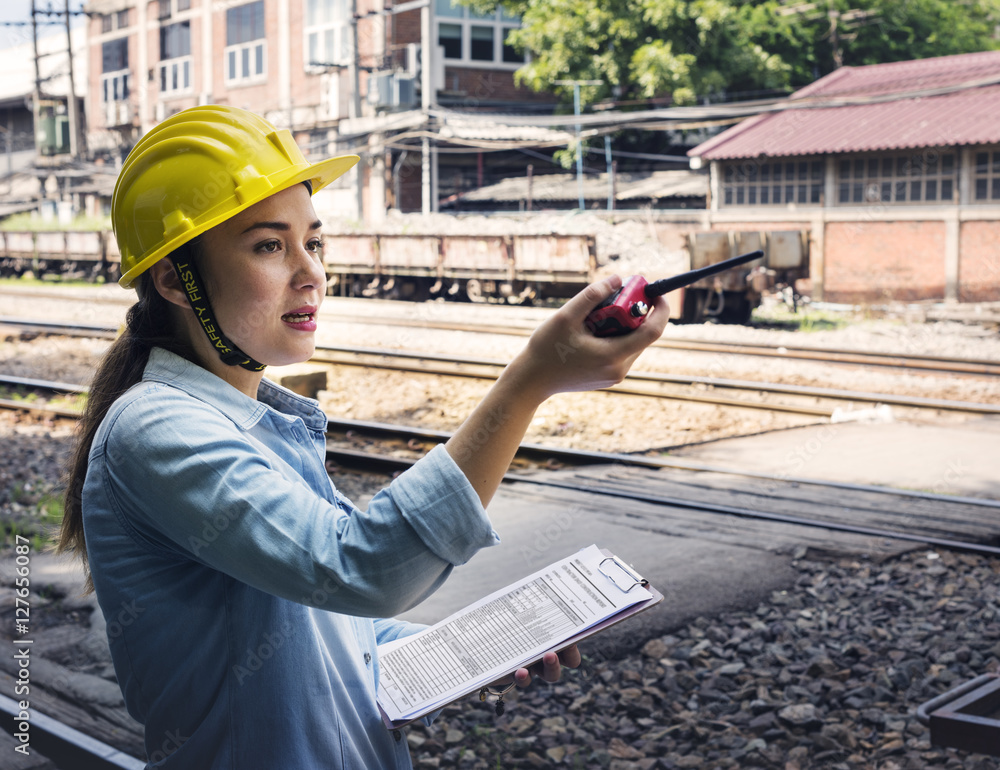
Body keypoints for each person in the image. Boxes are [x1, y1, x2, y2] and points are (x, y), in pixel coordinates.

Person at [57, 105, 668, 769]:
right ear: (177, 279)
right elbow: (354, 568)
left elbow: (330, 623)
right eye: (269, 245)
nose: (310, 272)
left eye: (312, 242)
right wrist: (529, 382)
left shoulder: (253, 422)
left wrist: (470, 648)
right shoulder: (155, 428)